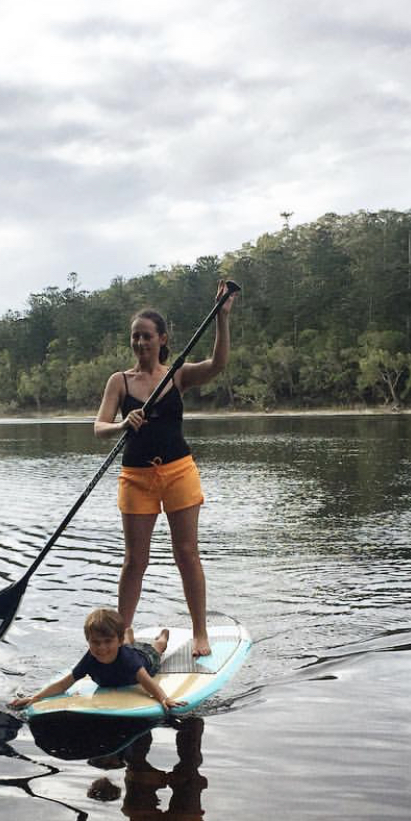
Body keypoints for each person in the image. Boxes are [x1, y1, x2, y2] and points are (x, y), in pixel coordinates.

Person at [93, 280, 237, 658]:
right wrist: (122, 425)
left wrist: (222, 318)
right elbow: (99, 427)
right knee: (134, 561)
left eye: (146, 336)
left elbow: (218, 364)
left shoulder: (177, 374)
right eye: (135, 336)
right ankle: (123, 633)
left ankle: (200, 633)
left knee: (187, 553)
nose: (140, 342)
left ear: (162, 339)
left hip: (178, 473)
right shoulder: (120, 381)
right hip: (136, 478)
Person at [9, 607, 178, 711]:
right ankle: (128, 636)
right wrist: (36, 697)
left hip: (145, 658)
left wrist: (164, 698)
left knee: (157, 649)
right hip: (123, 647)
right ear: (88, 641)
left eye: (107, 641)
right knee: (125, 646)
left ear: (117, 640)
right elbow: (63, 684)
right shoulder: (90, 659)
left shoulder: (129, 661)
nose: (101, 648)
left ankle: (162, 636)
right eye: (95, 642)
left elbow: (148, 683)